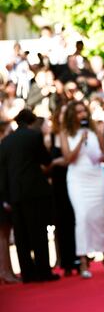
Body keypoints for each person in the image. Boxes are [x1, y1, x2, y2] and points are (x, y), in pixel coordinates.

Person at [0, 109, 59, 283]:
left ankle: (27, 273)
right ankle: (43, 271)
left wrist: (6, 196)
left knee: (21, 235)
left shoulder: (6, 142)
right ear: (31, 121)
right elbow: (46, 160)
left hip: (15, 194)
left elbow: (3, 172)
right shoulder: (33, 136)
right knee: (38, 233)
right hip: (34, 191)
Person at [59, 100, 104, 278]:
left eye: (84, 111)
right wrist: (80, 141)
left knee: (99, 217)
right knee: (82, 217)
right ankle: (83, 261)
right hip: (77, 178)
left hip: (96, 176)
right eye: (78, 112)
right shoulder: (65, 132)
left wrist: (103, 156)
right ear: (71, 116)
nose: (82, 115)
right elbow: (68, 158)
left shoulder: (95, 131)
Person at [47, 105, 78, 276]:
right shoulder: (51, 136)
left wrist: (59, 161)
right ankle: (65, 260)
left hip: (73, 180)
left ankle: (77, 257)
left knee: (75, 219)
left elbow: (67, 159)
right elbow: (49, 161)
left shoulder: (75, 133)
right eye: (63, 113)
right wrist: (59, 161)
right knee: (62, 221)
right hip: (58, 184)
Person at [0, 120, 20, 284]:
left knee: (5, 236)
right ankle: (4, 271)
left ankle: (8, 271)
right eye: (8, 132)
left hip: (4, 197)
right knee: (3, 236)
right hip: (2, 198)